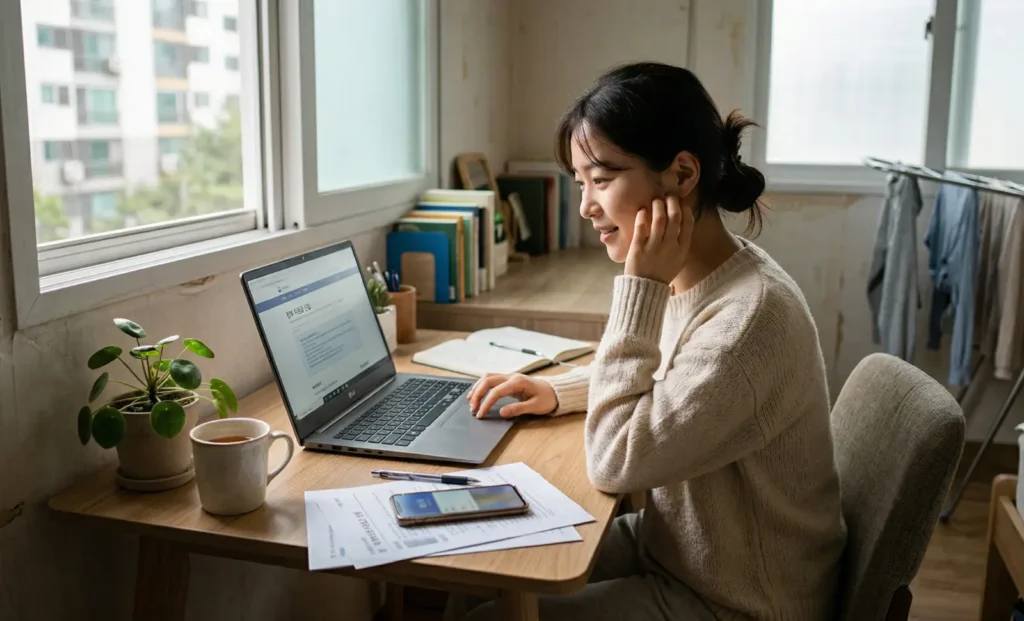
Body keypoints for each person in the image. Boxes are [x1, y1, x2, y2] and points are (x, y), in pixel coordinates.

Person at [461, 62, 847, 621]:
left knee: (485, 614)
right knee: (479, 571)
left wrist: (639, 286)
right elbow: (668, 375)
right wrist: (559, 391)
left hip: (739, 599)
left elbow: (616, 461)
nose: (586, 206)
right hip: (684, 549)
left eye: (603, 178)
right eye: (580, 183)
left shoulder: (747, 321)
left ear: (682, 175)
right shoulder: (708, 273)